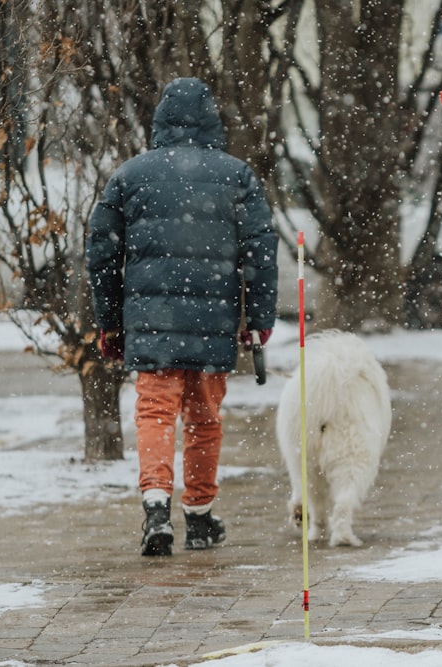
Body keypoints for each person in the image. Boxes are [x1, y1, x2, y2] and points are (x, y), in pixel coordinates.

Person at [85, 78, 278, 556]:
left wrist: (110, 321)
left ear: (161, 120)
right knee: (203, 418)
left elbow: (101, 253)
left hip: (151, 319)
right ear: (211, 120)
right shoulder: (237, 176)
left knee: (155, 412)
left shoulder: (130, 175)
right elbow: (261, 251)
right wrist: (259, 317)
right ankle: (199, 515)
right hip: (213, 319)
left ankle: (155, 507)